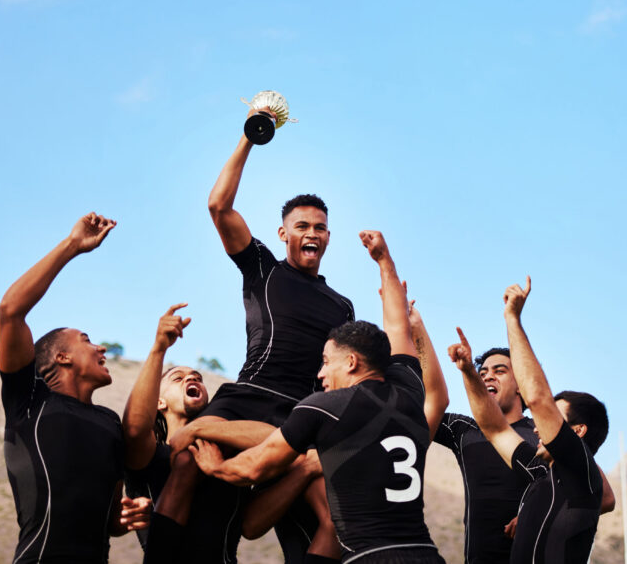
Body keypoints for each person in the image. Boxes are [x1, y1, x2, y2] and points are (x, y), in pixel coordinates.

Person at [190, 230, 449, 564]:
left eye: (327, 362)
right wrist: (385, 262)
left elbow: (254, 468)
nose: (320, 374)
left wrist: (218, 467)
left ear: (352, 362)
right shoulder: (409, 390)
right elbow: (399, 329)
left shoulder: (325, 407)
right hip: (427, 555)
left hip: (370, 557)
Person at [167, 109, 355, 562]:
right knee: (186, 455)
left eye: (320, 227)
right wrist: (250, 137)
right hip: (248, 397)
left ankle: (292, 456)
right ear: (283, 233)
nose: (312, 233)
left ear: (329, 237)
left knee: (334, 522)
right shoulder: (263, 270)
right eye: (302, 226)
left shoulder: (343, 306)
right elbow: (219, 207)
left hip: (301, 414)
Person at [123, 305, 334, 564]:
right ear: (159, 402)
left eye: (197, 377)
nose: (191, 379)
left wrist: (307, 468)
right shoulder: (152, 455)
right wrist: (159, 348)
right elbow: (134, 429)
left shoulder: (229, 458)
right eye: (178, 378)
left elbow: (251, 526)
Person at [0, 213, 150, 564]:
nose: (101, 349)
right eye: (87, 340)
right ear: (62, 357)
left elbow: (112, 519)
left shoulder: (111, 422)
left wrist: (128, 514)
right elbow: (10, 312)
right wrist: (72, 246)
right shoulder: (29, 399)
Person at [448, 277, 610, 564]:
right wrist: (468, 373)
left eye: (551, 418)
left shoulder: (579, 471)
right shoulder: (541, 473)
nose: (537, 425)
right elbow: (495, 429)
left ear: (577, 432)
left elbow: (536, 398)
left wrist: (512, 318)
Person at [433, 346, 537, 564]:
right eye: (483, 373)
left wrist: (535, 514)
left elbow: (595, 493)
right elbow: (428, 401)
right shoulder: (464, 430)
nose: (489, 376)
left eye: (499, 371)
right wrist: (415, 329)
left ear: (521, 384)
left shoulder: (543, 432)